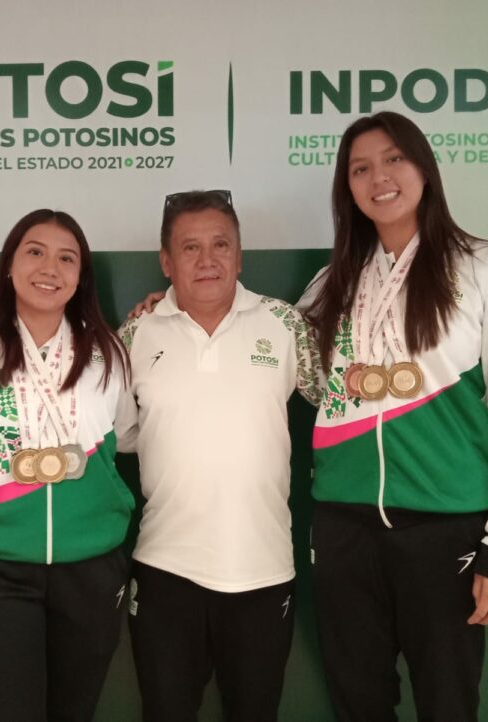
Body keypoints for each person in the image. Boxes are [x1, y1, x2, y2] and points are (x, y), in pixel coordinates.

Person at [300, 111, 488, 721]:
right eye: (360, 169)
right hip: (344, 526)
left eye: (394, 159)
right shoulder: (332, 284)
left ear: (424, 169)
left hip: (445, 528)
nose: (379, 177)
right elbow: (267, 349)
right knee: (358, 704)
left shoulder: (486, 268)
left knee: (448, 705)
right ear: (347, 188)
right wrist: (168, 307)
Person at [0, 209, 133, 722]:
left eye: (66, 258)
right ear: (9, 265)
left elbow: (128, 437)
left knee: (74, 712)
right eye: (35, 252)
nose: (50, 268)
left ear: (80, 277)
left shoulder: (107, 355)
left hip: (92, 569)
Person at [115, 190, 321, 722]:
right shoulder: (135, 334)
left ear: (240, 254)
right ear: (166, 261)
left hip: (263, 572)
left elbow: (341, 401)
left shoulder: (285, 324)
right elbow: (122, 436)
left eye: (221, 245)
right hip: (163, 569)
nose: (207, 260)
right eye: (190, 247)